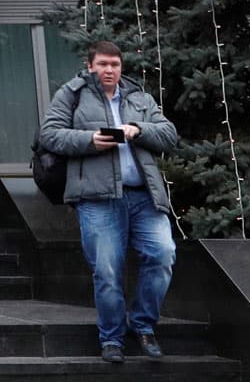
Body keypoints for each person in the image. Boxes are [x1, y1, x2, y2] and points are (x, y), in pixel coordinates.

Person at [36, 40, 179, 363]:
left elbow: (169, 134)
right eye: (102, 64)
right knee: (107, 270)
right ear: (90, 66)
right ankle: (112, 338)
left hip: (144, 196)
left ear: (121, 66)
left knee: (163, 255)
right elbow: (50, 134)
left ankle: (143, 325)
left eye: (114, 64)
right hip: (97, 197)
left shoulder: (139, 97)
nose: (109, 70)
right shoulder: (71, 94)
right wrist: (90, 140)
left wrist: (138, 129)